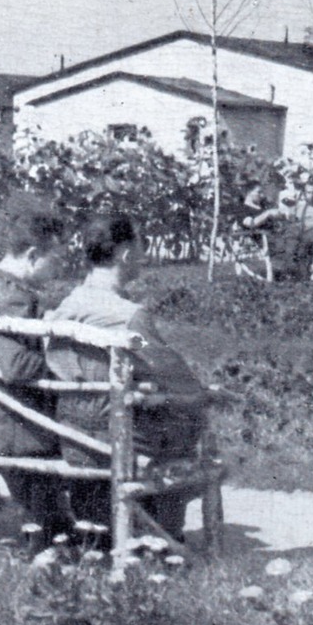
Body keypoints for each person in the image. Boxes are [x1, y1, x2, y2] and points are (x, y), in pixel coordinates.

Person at [45, 214, 210, 539]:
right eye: (140, 246)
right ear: (123, 253)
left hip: (72, 431)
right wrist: (203, 397)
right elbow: (174, 375)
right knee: (190, 423)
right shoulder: (129, 316)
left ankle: (109, 527)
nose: (144, 255)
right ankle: (164, 533)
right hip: (118, 435)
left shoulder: (65, 306)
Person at [0, 202, 69, 529]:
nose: (57, 271)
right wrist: (60, 359)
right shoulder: (18, 297)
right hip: (20, 431)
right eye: (55, 260)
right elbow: (17, 366)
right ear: (33, 256)